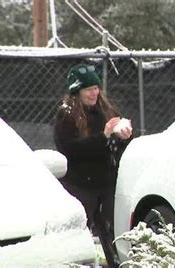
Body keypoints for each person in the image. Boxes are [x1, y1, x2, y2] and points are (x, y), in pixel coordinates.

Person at [53, 63, 132, 267]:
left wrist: (124, 137)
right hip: (80, 185)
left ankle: (118, 263)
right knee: (77, 235)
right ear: (77, 91)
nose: (94, 93)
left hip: (106, 183)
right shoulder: (66, 114)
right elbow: (69, 149)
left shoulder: (106, 110)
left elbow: (115, 147)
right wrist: (103, 136)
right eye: (89, 89)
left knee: (114, 233)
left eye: (96, 88)